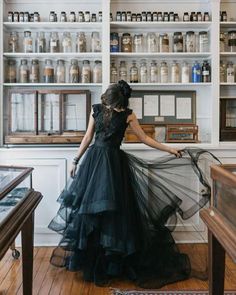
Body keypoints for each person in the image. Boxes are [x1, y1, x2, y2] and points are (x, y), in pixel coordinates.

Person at [48, 80, 219, 288]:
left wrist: (169, 149)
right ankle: (93, 262)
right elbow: (88, 137)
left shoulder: (128, 115)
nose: (110, 104)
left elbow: (145, 138)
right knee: (92, 213)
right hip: (94, 164)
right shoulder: (97, 111)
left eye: (112, 100)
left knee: (115, 214)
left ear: (117, 98)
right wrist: (75, 160)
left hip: (114, 166)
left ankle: (112, 265)